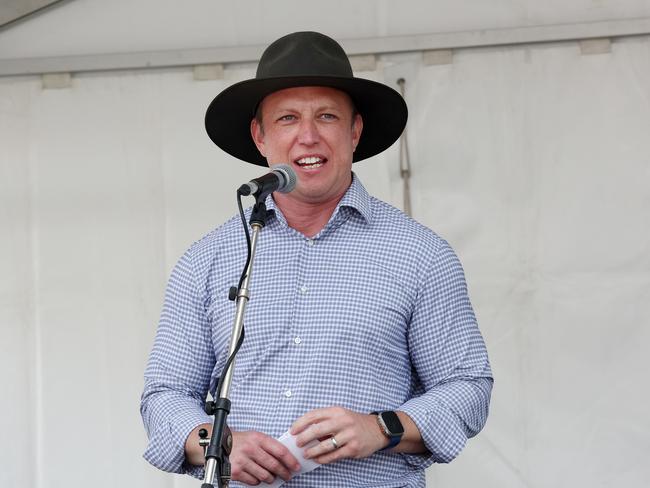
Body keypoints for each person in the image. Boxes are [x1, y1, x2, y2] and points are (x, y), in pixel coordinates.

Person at [141, 31, 493, 487]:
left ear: (354, 131)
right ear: (260, 137)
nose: (308, 136)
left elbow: (469, 386)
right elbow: (164, 395)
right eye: (287, 118)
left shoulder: (419, 254)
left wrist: (380, 427)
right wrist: (218, 441)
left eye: (326, 116)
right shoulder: (208, 258)